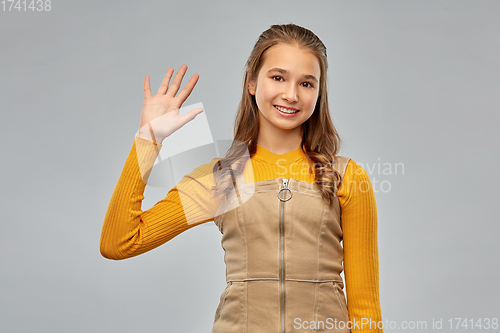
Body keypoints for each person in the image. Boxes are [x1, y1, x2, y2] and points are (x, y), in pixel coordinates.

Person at [100, 23, 384, 333]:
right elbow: (120, 242)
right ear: (251, 81)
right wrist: (148, 139)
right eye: (278, 77)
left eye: (307, 83)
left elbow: (365, 308)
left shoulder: (345, 176)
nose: (291, 95)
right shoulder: (219, 177)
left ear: (319, 92)